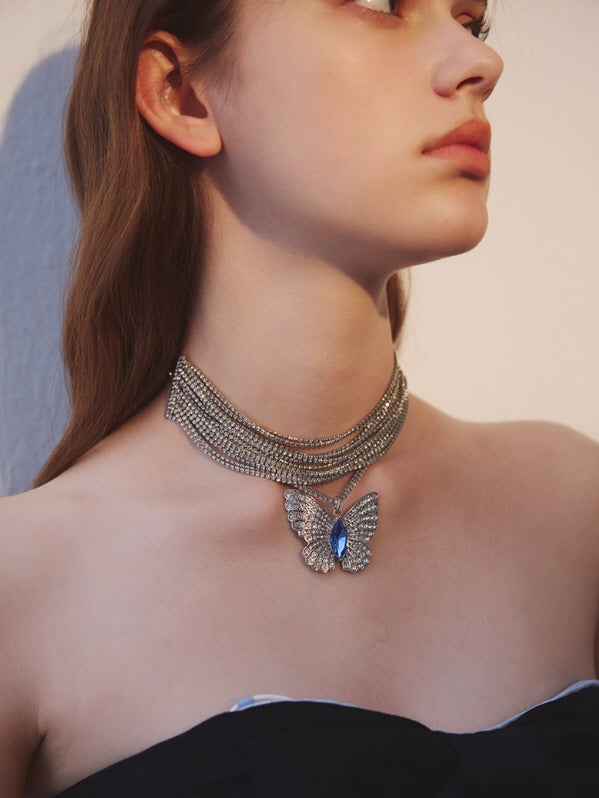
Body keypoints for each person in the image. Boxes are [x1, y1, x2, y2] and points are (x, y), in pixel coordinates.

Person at [1, 0, 598, 795]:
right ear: (182, 93)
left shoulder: (576, 507)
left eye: (469, 21)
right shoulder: (23, 592)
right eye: (380, 5)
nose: (479, 63)